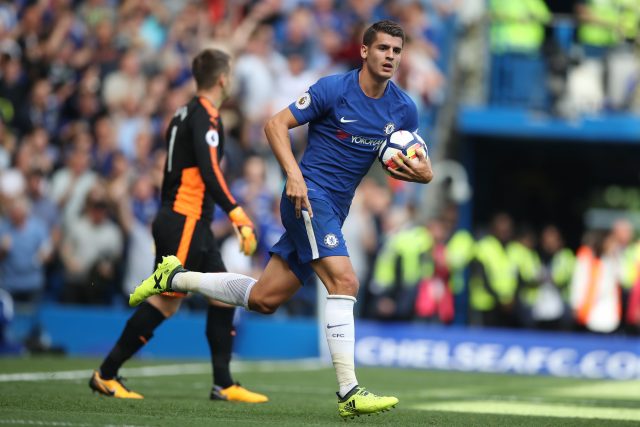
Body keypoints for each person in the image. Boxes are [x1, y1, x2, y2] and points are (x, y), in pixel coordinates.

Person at [130, 20, 433, 418]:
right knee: (345, 280)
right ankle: (349, 393)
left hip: (335, 210)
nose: (390, 56)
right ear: (364, 51)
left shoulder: (403, 109)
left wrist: (422, 173)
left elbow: (407, 161)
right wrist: (293, 174)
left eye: (396, 50)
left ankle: (174, 277)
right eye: (383, 49)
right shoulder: (332, 89)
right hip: (307, 198)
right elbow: (275, 125)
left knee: (264, 299)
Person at [89, 49, 268, 403]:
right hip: (184, 220)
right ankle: (105, 374)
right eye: (229, 75)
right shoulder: (205, 114)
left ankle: (223, 383)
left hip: (190, 221)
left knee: (224, 295)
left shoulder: (183, 112)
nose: (230, 81)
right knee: (167, 302)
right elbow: (209, 169)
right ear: (222, 79)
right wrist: (236, 212)